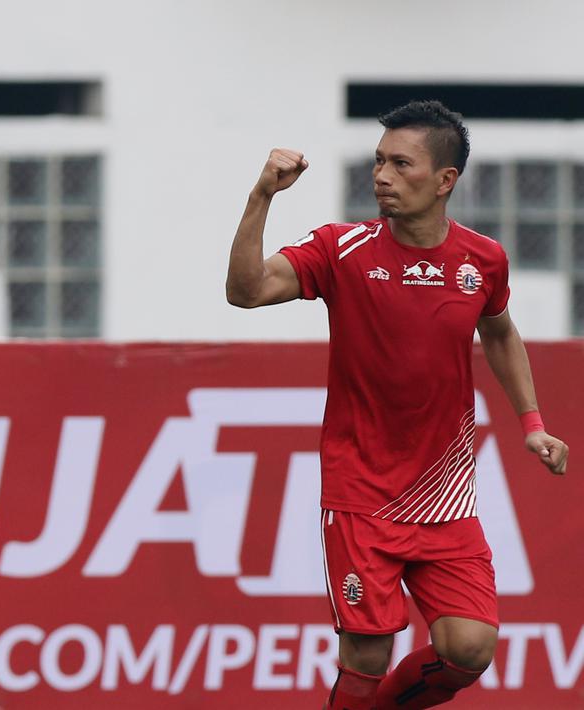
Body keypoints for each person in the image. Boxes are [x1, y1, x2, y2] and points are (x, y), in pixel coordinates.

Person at [225, 100, 569, 710]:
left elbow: (499, 331)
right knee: (366, 653)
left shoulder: (482, 259)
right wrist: (262, 196)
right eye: (378, 161)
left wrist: (532, 423)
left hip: (445, 497)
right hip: (361, 491)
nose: (381, 175)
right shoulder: (342, 249)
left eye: (400, 163)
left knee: (470, 647)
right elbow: (246, 291)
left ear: (445, 181)